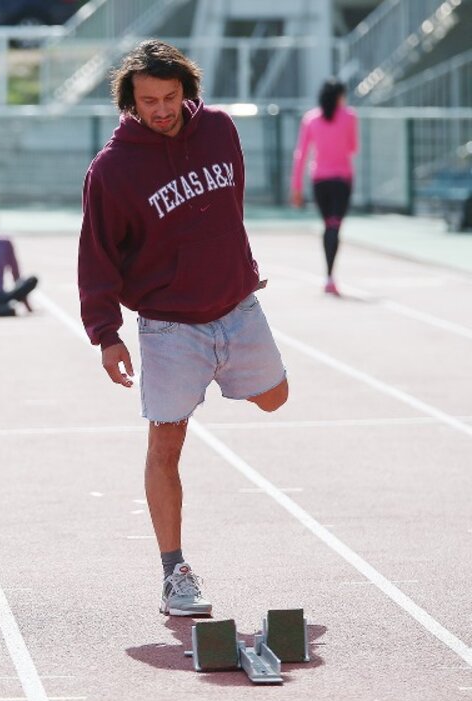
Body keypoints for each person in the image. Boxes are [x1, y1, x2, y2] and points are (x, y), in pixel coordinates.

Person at [77, 40, 289, 618]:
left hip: (237, 308)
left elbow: (232, 206)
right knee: (166, 444)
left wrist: (234, 268)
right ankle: (175, 572)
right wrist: (106, 333)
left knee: (276, 398)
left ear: (186, 92)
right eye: (149, 101)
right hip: (170, 328)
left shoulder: (220, 130)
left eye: (170, 97)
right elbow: (96, 255)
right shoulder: (113, 170)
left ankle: (225, 373)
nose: (162, 110)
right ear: (131, 101)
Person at [290, 78, 359, 297]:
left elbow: (301, 154)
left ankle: (328, 276)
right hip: (342, 180)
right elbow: (353, 147)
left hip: (319, 181)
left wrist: (296, 187)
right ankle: (330, 276)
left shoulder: (311, 119)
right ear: (339, 96)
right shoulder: (349, 117)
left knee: (328, 225)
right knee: (334, 226)